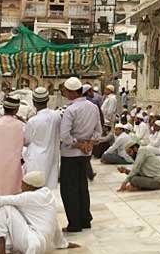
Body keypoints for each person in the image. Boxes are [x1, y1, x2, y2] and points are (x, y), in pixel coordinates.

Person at [0, 170, 78, 254]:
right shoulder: (48, 195)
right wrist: (62, 243)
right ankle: (4, 246)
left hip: (32, 243)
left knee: (6, 208)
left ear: (30, 187)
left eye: (23, 185)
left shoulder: (28, 197)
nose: (21, 187)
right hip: (41, 245)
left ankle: (1, 248)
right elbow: (53, 221)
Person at [60, 77, 102, 233]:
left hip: (70, 154)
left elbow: (64, 136)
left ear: (71, 93)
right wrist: (89, 144)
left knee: (69, 189)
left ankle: (75, 223)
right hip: (85, 153)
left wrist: (78, 144)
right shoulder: (93, 107)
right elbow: (98, 131)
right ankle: (85, 219)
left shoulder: (70, 110)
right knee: (82, 186)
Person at [24, 87, 61, 191]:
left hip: (36, 158)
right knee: (48, 187)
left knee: (34, 186)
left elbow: (26, 140)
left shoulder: (33, 121)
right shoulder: (56, 116)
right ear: (47, 100)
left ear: (33, 102)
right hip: (52, 156)